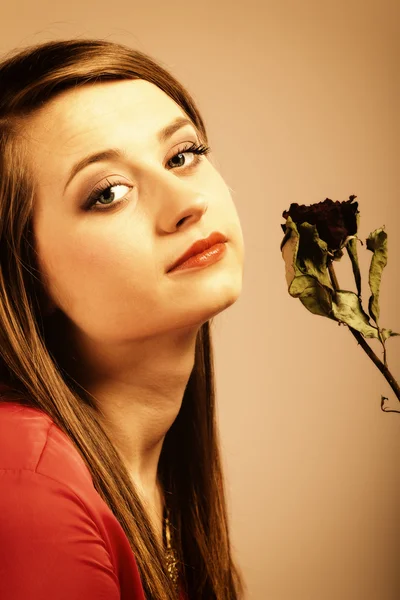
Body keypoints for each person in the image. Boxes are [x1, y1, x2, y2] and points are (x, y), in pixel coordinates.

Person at [0, 38, 246, 599]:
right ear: (24, 276)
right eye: (108, 193)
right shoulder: (25, 484)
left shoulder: (155, 482)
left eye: (182, 155)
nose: (186, 201)